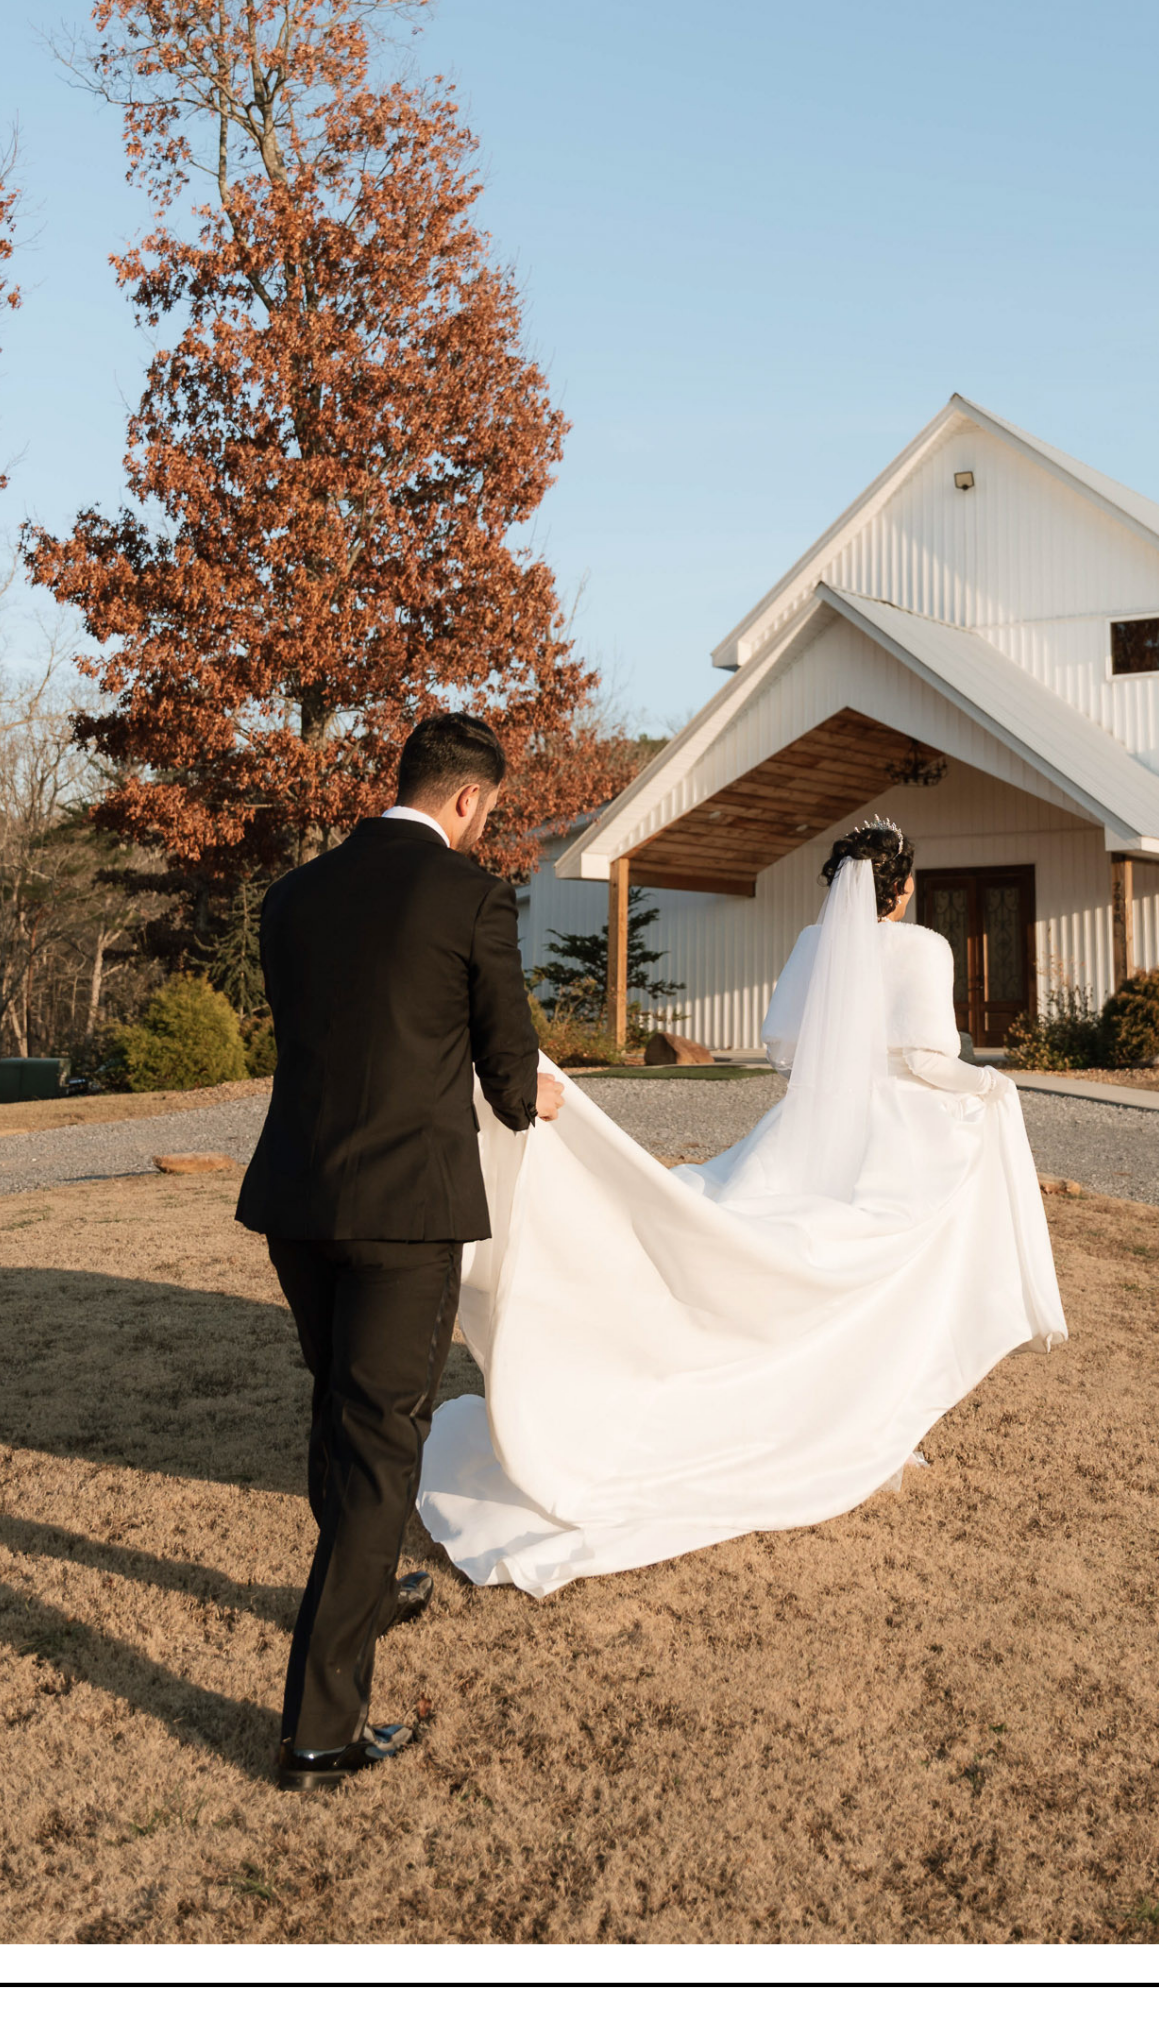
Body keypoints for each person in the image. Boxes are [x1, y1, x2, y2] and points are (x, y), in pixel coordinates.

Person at [417, 817, 1068, 1599]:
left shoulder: (807, 947)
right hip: (900, 1135)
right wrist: (988, 1089)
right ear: (899, 889)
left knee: (758, 1224)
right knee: (890, 1264)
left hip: (807, 1124)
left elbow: (783, 1049)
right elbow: (931, 1058)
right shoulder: (924, 949)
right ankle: (858, 1416)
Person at [236, 713, 564, 1788]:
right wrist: (539, 1095)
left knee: (340, 1409)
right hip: (405, 1214)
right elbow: (510, 1079)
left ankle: (371, 1588)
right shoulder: (472, 897)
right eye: (491, 814)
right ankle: (320, 1729)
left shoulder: (292, 897)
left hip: (296, 1198)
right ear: (469, 800)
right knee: (380, 1450)